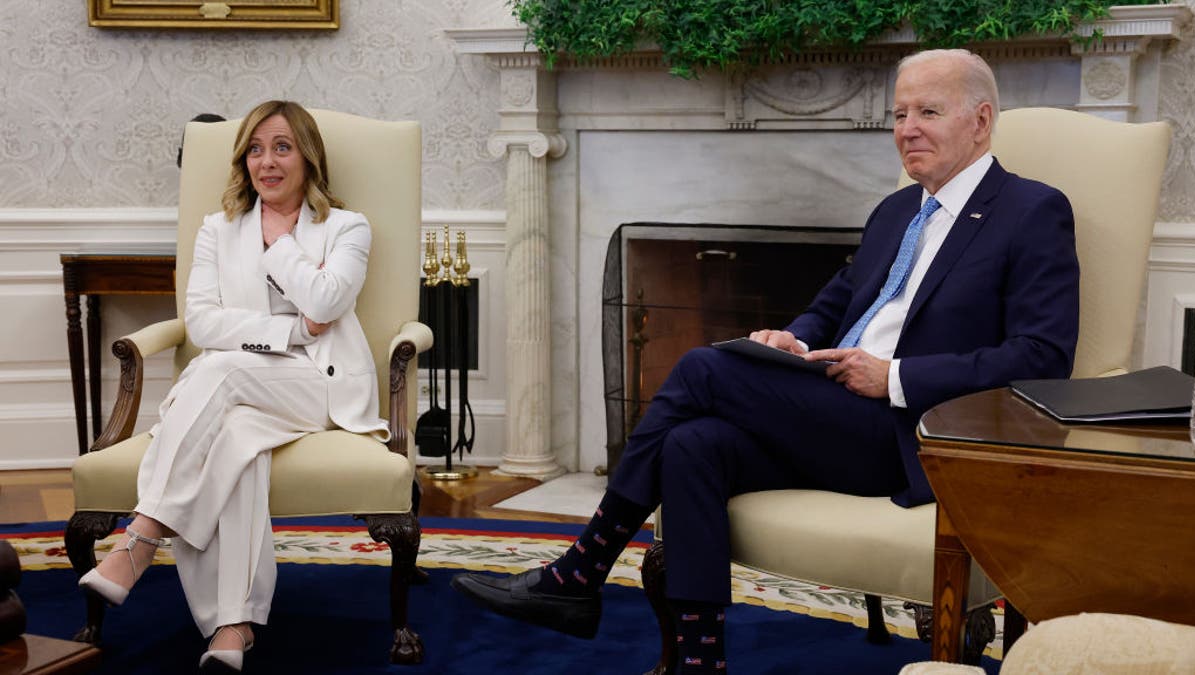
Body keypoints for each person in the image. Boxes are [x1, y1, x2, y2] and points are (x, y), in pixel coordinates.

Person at [452, 49, 1081, 673]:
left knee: (703, 368)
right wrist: (796, 340)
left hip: (911, 431)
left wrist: (892, 377)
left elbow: (1042, 356)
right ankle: (702, 662)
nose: (907, 129)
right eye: (898, 114)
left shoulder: (1031, 210)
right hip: (835, 407)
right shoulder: (896, 211)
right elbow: (839, 299)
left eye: (928, 111)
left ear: (980, 120)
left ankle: (580, 570)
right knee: (693, 446)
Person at [79, 100, 387, 673]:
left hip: (318, 386)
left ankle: (142, 536)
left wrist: (281, 244)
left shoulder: (347, 227)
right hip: (247, 392)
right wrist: (292, 329)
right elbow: (202, 323)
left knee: (218, 369)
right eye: (255, 149)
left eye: (281, 147)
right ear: (243, 160)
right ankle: (232, 624)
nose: (266, 161)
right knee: (237, 443)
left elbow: (326, 300)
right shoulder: (217, 230)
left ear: (307, 156)